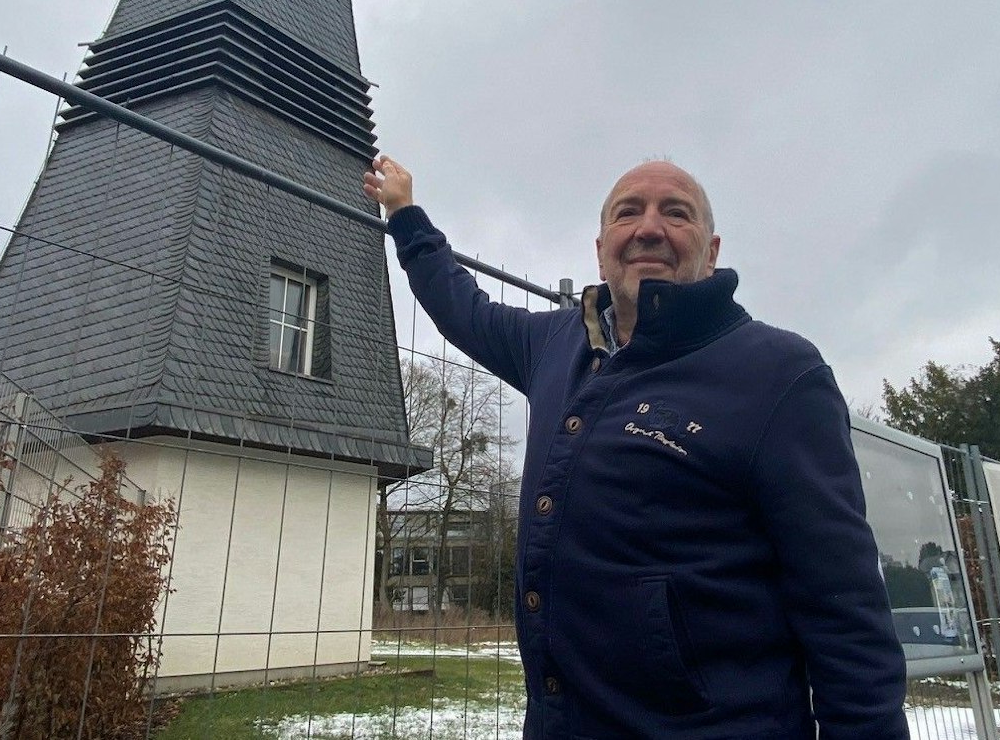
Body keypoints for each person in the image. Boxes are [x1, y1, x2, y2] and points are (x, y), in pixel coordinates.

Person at [363, 155, 909, 739]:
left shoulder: (778, 374)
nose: (649, 227)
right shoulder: (555, 345)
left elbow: (843, 608)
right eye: (630, 212)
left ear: (713, 249)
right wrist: (404, 213)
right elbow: (462, 309)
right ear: (602, 248)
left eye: (676, 213)